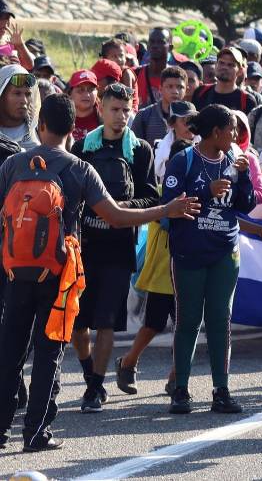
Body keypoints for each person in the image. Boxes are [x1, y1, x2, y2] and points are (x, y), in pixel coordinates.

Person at [0, 94, 198, 452]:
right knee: (49, 352)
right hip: (59, 275)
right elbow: (116, 216)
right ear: (73, 128)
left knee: (10, 350)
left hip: (15, 272)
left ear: (39, 125)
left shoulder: (13, 164)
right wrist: (165, 209)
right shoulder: (79, 168)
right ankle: (36, 432)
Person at [162, 104, 257, 414]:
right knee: (188, 320)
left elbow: (246, 205)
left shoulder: (232, 161)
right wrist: (205, 192)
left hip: (225, 253)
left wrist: (243, 178)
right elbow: (168, 205)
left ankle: (221, 390)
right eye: (232, 129)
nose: (236, 135)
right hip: (189, 252)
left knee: (220, 320)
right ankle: (181, 390)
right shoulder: (183, 161)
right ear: (216, 132)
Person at [70, 83, 159, 412]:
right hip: (85, 247)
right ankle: (89, 374)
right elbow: (69, 195)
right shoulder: (83, 149)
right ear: (101, 109)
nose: (120, 116)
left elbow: (152, 196)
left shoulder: (141, 150)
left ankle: (94, 388)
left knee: (106, 321)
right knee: (77, 324)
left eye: (126, 110)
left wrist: (120, 208)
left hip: (119, 248)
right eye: (114, 110)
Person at [131, 66, 189, 147]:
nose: (175, 91)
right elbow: (134, 148)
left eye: (180, 87)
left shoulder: (191, 118)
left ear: (186, 90)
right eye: (170, 86)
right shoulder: (144, 116)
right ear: (160, 88)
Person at [192, 48, 260, 113]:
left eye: (231, 65)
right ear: (215, 65)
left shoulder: (247, 101)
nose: (224, 67)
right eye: (221, 63)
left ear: (240, 71)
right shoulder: (201, 92)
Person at [0, 64, 40, 149]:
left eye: (28, 94)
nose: (24, 101)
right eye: (17, 93)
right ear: (1, 95)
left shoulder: (42, 130)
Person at [134, 27, 173, 110]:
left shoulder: (176, 77)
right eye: (152, 41)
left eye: (161, 42)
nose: (155, 45)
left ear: (170, 47)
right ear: (147, 46)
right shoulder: (134, 74)